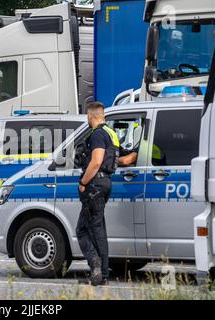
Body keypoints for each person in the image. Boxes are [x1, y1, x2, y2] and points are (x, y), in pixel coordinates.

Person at [76, 102, 119, 286]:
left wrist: (83, 182)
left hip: (94, 185)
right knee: (98, 228)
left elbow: (96, 161)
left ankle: (96, 264)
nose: (87, 119)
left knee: (83, 230)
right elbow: (126, 158)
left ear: (91, 116)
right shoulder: (112, 134)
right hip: (106, 183)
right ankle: (103, 275)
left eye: (87, 116)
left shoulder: (97, 134)